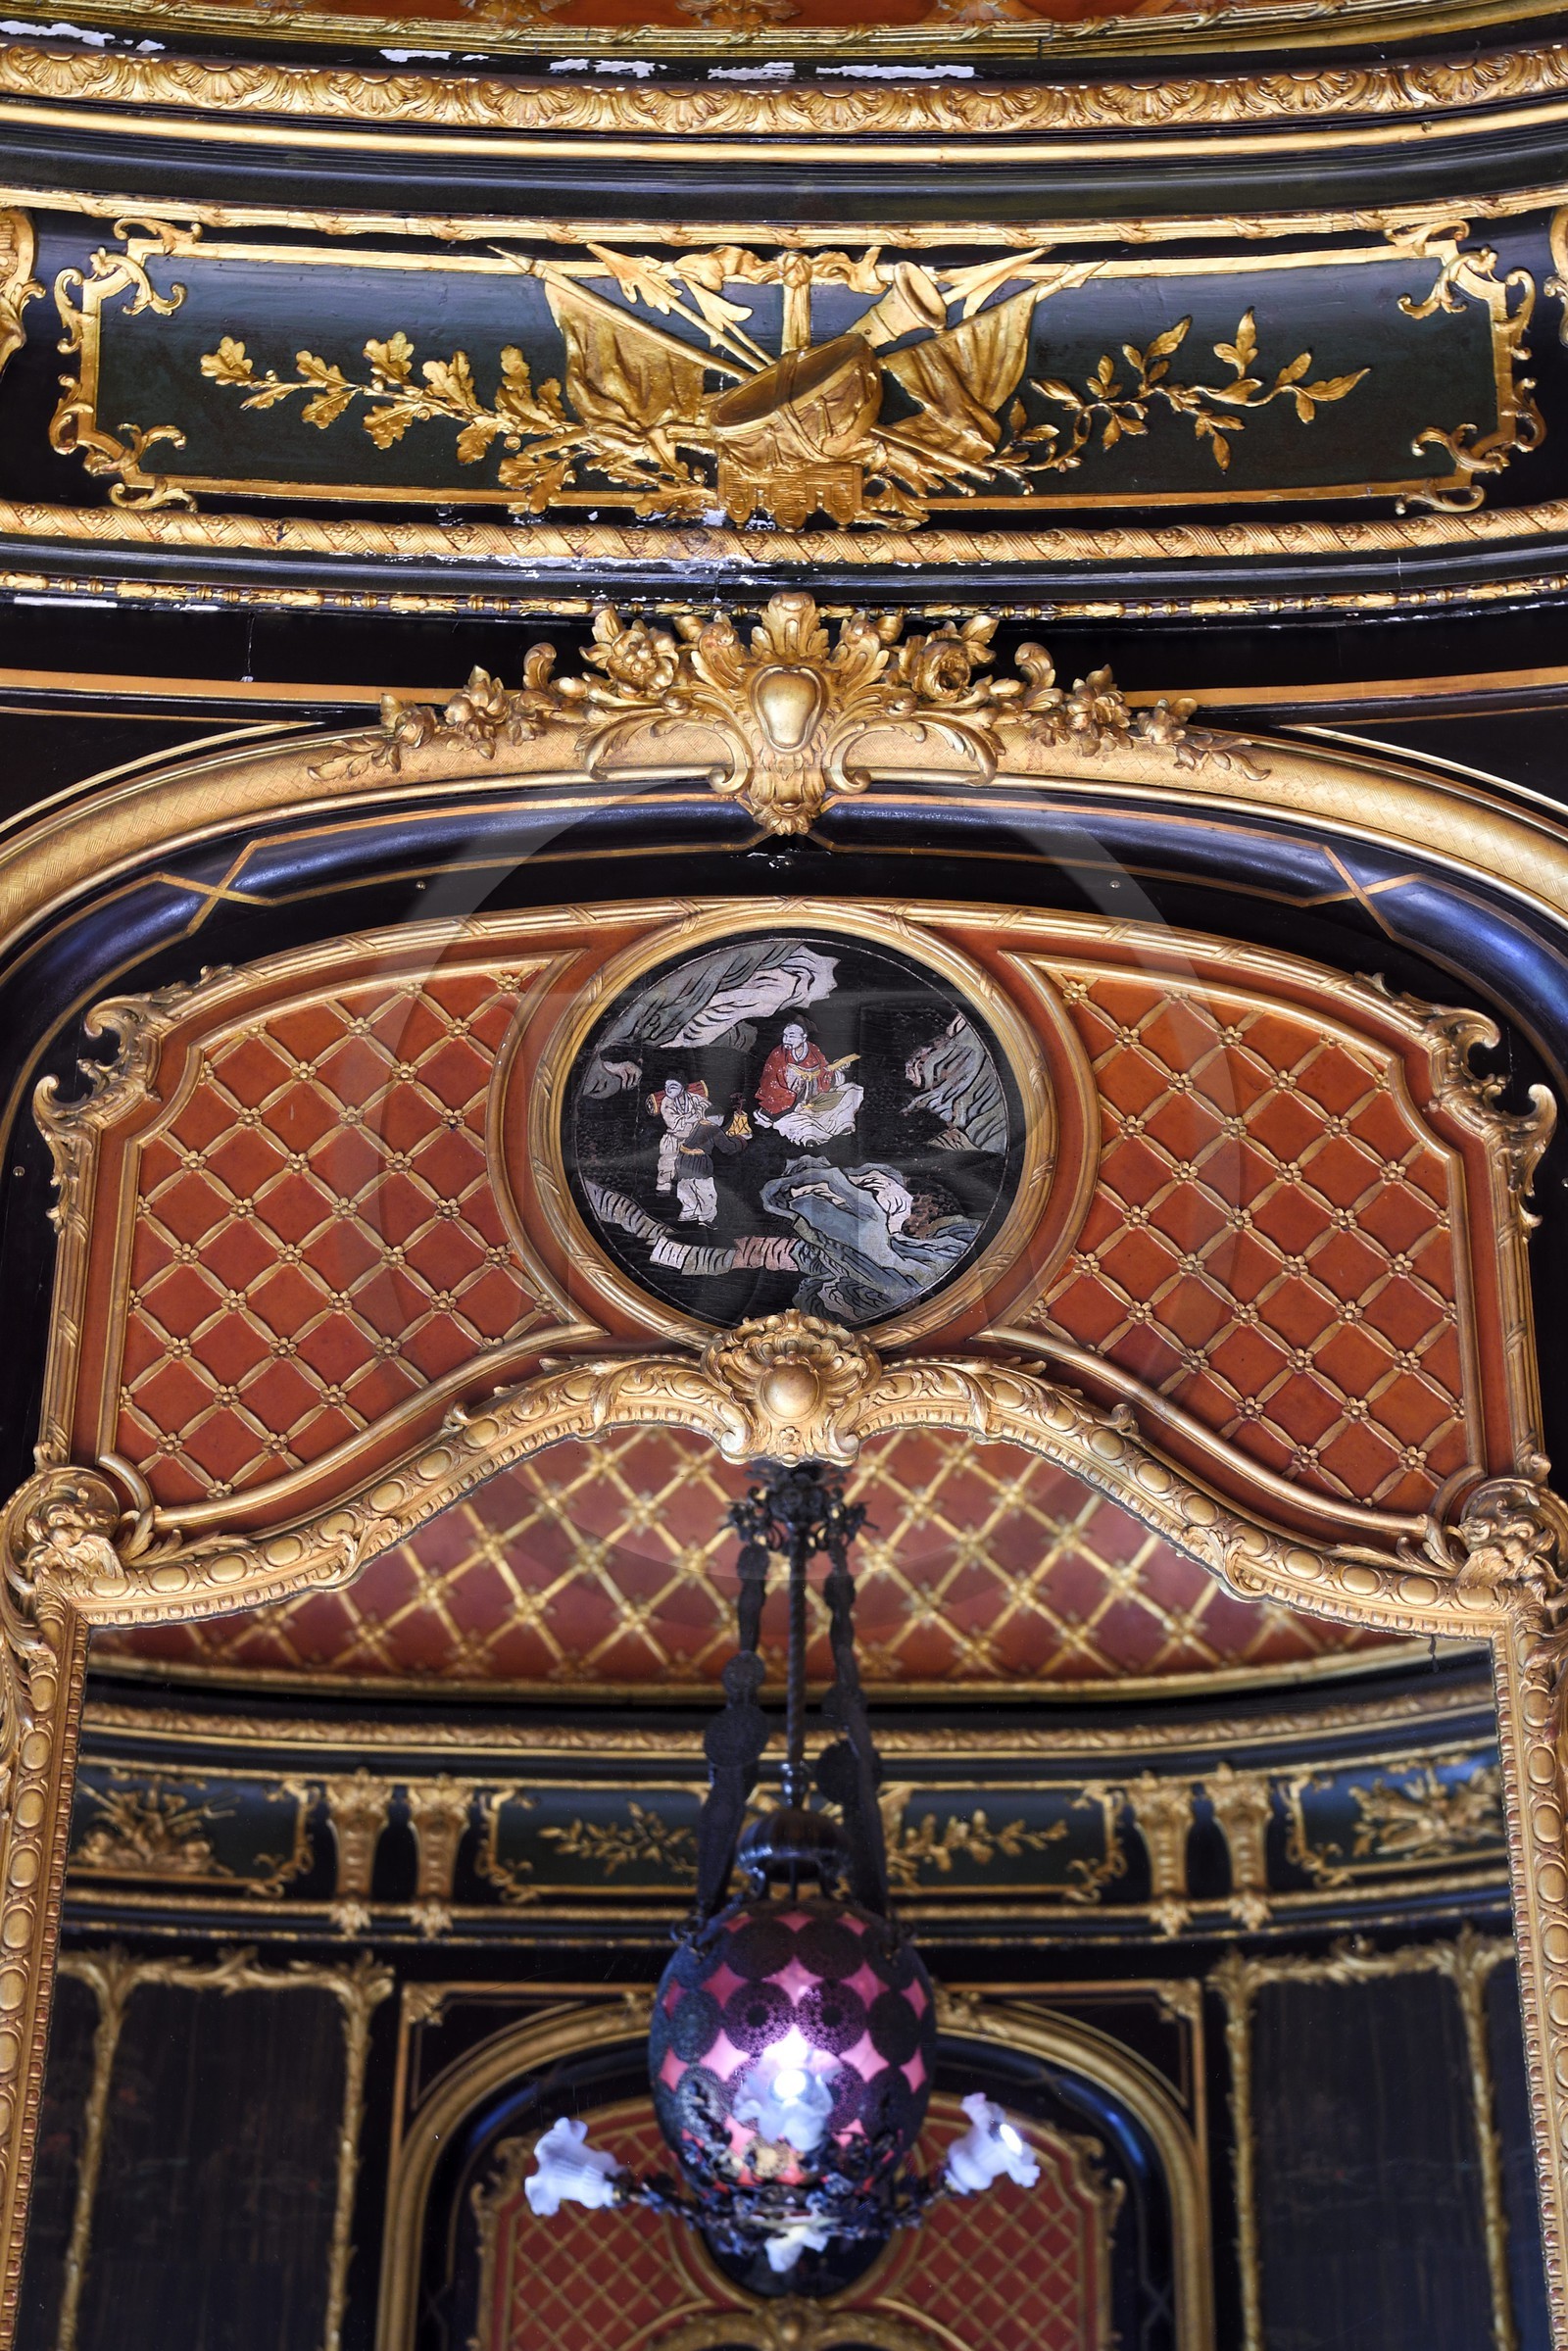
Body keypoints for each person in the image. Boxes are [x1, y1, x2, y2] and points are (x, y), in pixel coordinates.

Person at [646, 1078, 741, 1225]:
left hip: (693, 1139)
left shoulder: (696, 1099)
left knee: (686, 1182)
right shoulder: (666, 1102)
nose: (668, 1089)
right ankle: (668, 1190)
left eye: (673, 1086)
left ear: (683, 1087)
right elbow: (675, 1123)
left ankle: (689, 1212)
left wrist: (693, 1118)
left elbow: (707, 1110)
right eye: (666, 1087)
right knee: (670, 1165)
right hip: (677, 1138)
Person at [754, 1022, 863, 1144]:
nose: (786, 1040)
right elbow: (770, 1081)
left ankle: (837, 1125)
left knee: (852, 1091)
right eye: (785, 1036)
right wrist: (792, 1093)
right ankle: (807, 1134)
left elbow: (824, 1072)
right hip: (787, 1100)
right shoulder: (778, 1053)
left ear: (804, 1037)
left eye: (791, 1036)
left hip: (813, 1096)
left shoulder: (813, 1050)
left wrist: (837, 1067)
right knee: (796, 1123)